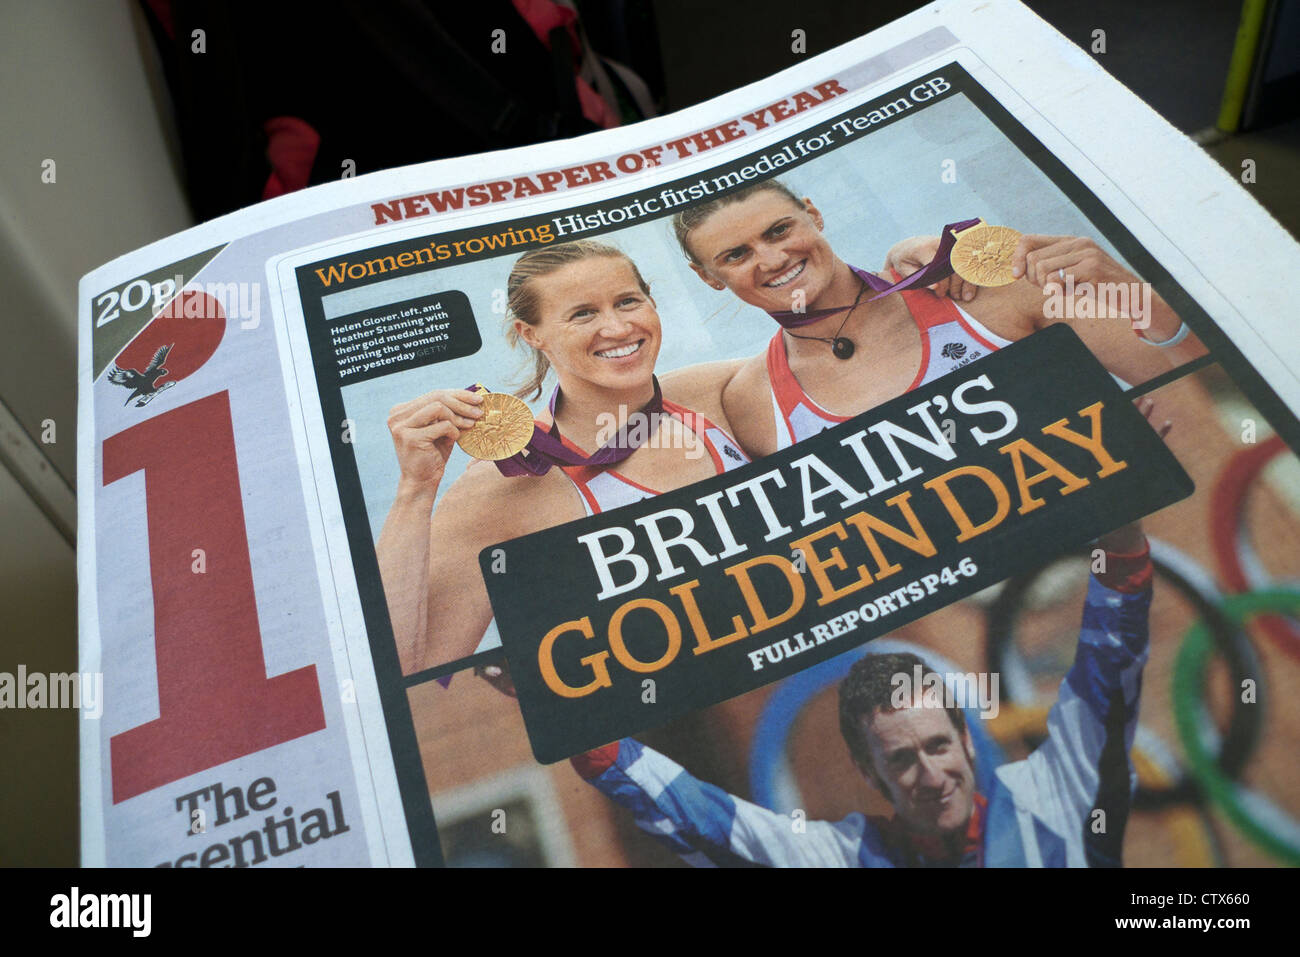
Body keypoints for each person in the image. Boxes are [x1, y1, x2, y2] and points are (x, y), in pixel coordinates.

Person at [571, 516, 1156, 867]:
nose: (930, 777)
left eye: (936, 746)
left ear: (969, 742)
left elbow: (1107, 670)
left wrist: (1123, 538)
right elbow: (705, 816)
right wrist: (569, 709)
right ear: (871, 775)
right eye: (900, 759)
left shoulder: (1053, 797)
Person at [376, 240, 750, 674]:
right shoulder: (503, 486)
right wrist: (415, 491)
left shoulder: (719, 395)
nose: (616, 328)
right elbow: (407, 674)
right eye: (583, 314)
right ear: (531, 334)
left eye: (628, 301)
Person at [662, 179, 1205, 457]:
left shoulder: (978, 286)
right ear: (709, 277)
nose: (773, 259)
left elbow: (1200, 387)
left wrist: (1135, 293)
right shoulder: (754, 403)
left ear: (815, 214)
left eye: (780, 231)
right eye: (736, 255)